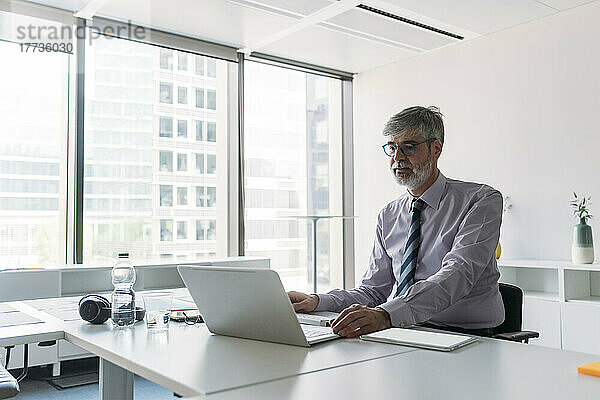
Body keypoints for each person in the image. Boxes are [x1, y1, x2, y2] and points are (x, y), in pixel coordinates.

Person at [289, 106, 505, 338]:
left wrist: (386, 315)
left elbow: (458, 273)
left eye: (409, 147)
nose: (397, 158)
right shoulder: (389, 215)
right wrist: (317, 301)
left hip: (469, 337)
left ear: (436, 149)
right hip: (403, 330)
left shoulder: (481, 200)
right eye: (392, 148)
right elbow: (373, 291)